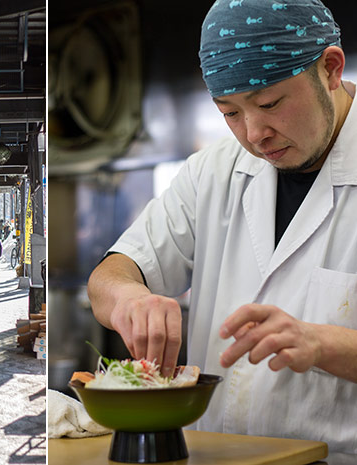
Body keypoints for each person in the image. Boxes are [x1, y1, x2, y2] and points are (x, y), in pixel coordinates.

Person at [87, 0, 356, 461]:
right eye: (230, 113)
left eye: (270, 104)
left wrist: (323, 342)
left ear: (330, 69)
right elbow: (107, 278)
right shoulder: (213, 171)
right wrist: (130, 300)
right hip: (213, 454)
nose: (254, 134)